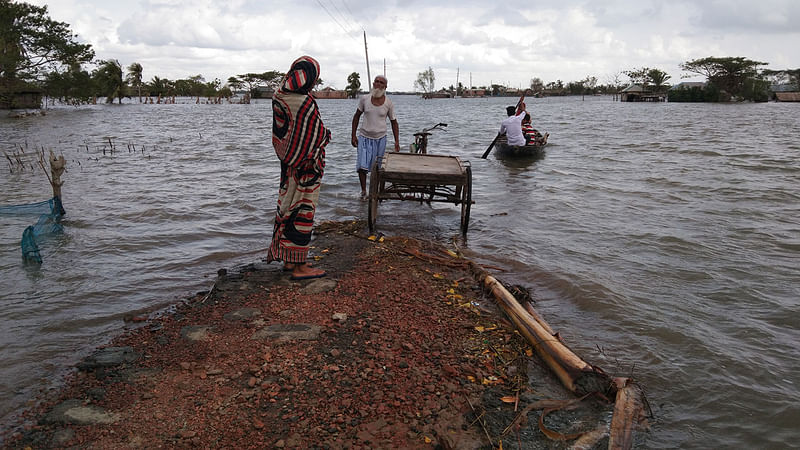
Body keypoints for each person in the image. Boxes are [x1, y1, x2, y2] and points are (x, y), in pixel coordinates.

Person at [267, 56, 330, 280]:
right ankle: (300, 266)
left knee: (287, 207)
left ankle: (289, 259)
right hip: (306, 169)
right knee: (303, 210)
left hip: (288, 166)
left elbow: (284, 134)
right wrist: (325, 136)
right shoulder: (302, 100)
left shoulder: (279, 95)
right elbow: (316, 133)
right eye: (314, 78)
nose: (314, 83)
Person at [351, 75, 400, 199]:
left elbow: (394, 122)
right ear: (373, 83)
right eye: (376, 81)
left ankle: (375, 192)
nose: (377, 84)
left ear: (385, 86)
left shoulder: (388, 103)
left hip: (380, 138)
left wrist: (397, 141)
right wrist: (353, 135)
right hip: (364, 137)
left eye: (381, 82)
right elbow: (356, 116)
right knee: (361, 167)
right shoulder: (364, 99)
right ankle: (363, 192)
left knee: (377, 168)